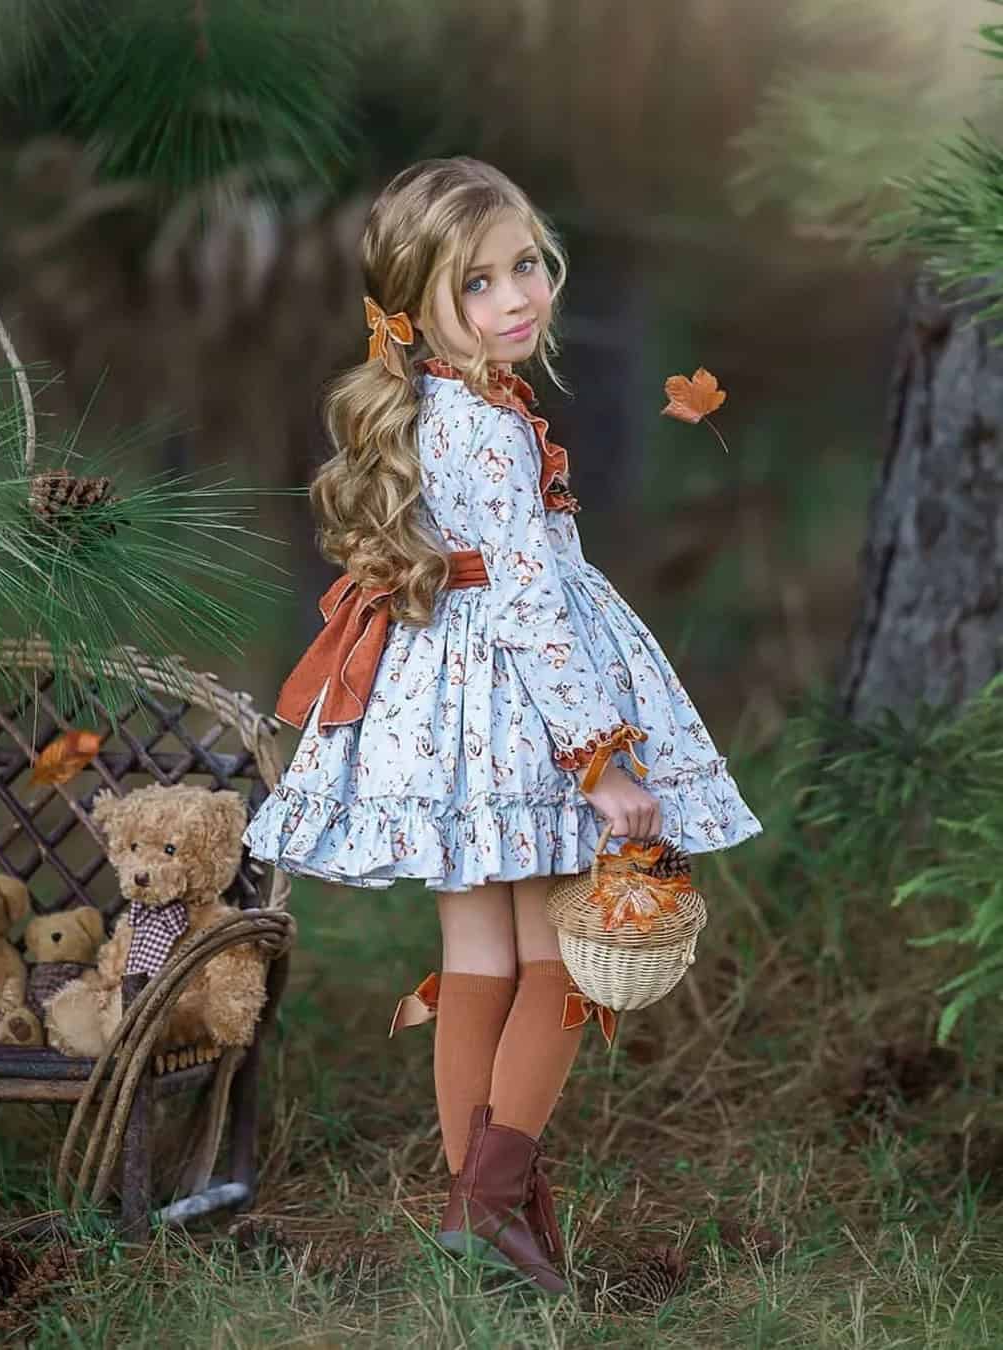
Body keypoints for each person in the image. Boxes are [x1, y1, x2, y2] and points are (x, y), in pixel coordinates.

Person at [243, 156, 762, 1295]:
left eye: (526, 265)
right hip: (521, 713)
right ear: (416, 304)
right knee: (559, 960)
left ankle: (483, 1220)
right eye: (478, 284)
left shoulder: (448, 407)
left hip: (449, 706)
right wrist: (601, 761)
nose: (518, 297)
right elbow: (529, 604)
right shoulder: (484, 426)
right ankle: (489, 1206)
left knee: (478, 958)